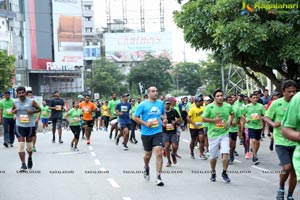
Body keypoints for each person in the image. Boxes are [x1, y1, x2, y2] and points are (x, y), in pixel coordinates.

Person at [265, 80, 297, 200]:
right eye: (289, 92)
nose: (292, 94)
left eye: (294, 91)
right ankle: (281, 187)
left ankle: (290, 195)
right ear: (283, 92)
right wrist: (273, 124)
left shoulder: (298, 104)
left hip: (296, 141)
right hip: (281, 140)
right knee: (286, 167)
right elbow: (266, 117)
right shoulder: (275, 104)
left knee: (294, 171)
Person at [133, 86, 167, 186]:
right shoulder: (143, 105)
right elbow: (135, 117)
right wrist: (145, 123)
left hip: (158, 132)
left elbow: (164, 115)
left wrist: (164, 120)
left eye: (156, 91)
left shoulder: (161, 104)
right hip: (146, 133)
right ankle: (146, 166)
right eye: (153, 91)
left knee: (159, 152)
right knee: (148, 155)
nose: (155, 93)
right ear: (148, 93)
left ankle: (158, 177)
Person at [202, 89, 233, 183]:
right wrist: (213, 120)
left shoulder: (227, 106)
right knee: (213, 157)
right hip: (213, 134)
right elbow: (203, 119)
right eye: (218, 96)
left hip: (224, 133)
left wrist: (229, 122)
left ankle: (224, 172)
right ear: (214, 98)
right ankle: (213, 172)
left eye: (221, 95)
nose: (220, 97)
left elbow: (232, 114)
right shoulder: (209, 107)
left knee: (226, 153)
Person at [12, 86, 41, 171]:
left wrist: (32, 112)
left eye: (22, 93)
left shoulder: (31, 101)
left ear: (25, 93)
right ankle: (23, 164)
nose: (21, 94)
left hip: (30, 125)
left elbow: (39, 109)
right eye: (19, 93)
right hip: (19, 125)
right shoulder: (15, 102)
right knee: (21, 144)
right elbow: (12, 110)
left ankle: (30, 158)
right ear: (17, 94)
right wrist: (14, 112)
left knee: (29, 146)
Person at [241, 93, 266, 165]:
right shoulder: (247, 106)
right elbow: (242, 114)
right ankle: (254, 156)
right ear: (250, 99)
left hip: (259, 126)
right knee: (253, 140)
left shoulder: (261, 106)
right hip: (250, 125)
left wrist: (260, 118)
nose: (255, 99)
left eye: (256, 98)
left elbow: (265, 115)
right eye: (253, 98)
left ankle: (255, 153)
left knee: (258, 142)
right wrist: (246, 119)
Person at [163, 99, 181, 167]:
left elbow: (179, 118)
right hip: (165, 132)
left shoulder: (174, 110)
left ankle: (173, 154)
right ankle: (169, 161)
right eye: (166, 104)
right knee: (167, 147)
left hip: (173, 131)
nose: (167, 105)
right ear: (164, 104)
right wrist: (163, 124)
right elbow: (157, 120)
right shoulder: (162, 112)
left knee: (174, 146)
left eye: (168, 104)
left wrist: (175, 122)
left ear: (170, 104)